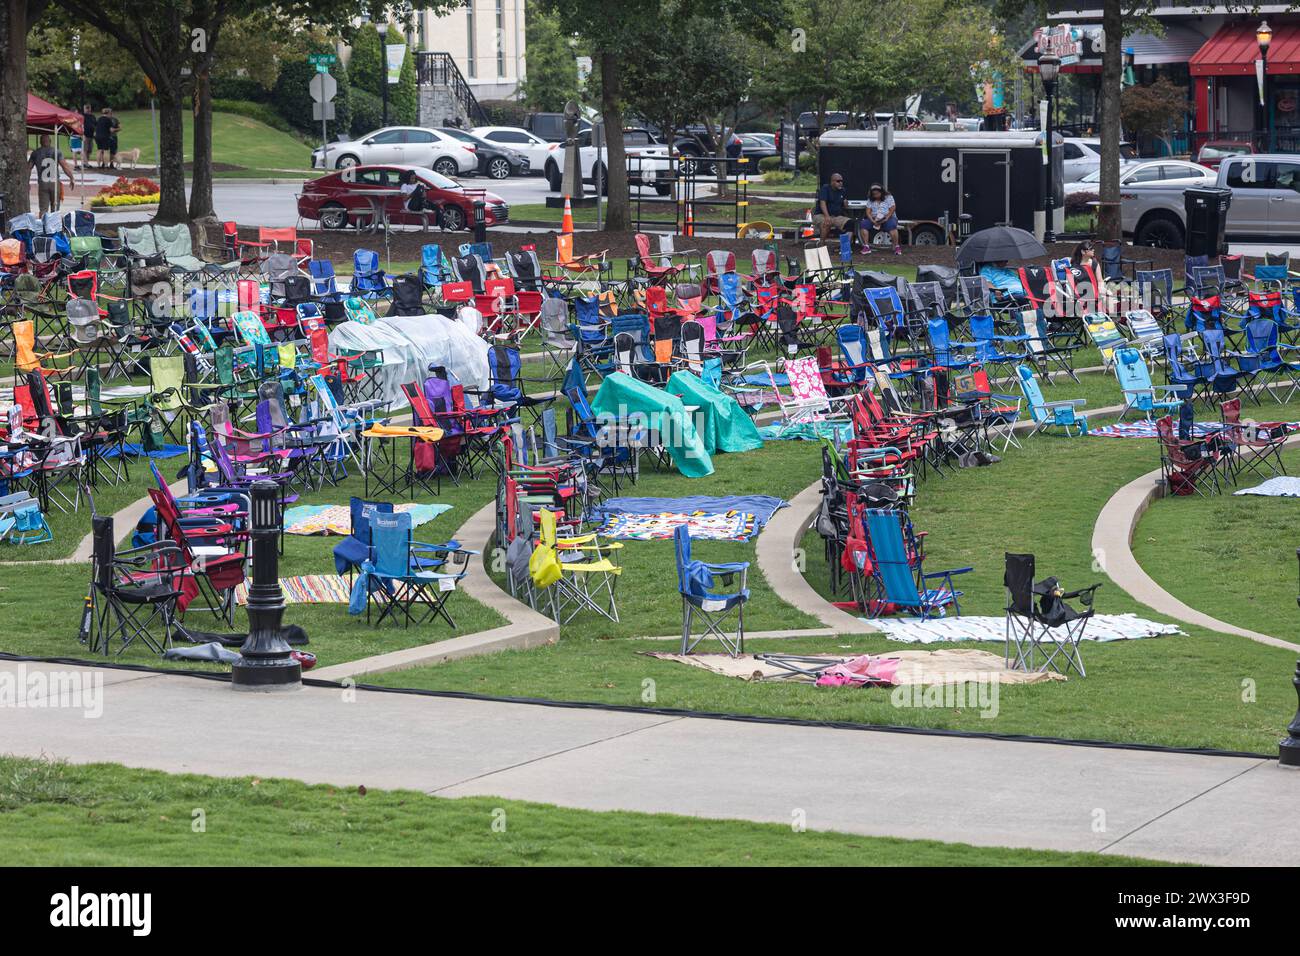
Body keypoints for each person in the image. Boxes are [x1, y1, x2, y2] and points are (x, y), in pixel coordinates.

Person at [28, 134, 77, 216]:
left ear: (40, 142)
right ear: (50, 142)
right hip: (54, 182)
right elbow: (64, 166)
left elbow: (28, 168)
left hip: (42, 183)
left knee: (43, 209)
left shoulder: (35, 153)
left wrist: (27, 181)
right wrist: (71, 178)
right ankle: (54, 226)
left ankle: (43, 226)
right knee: (55, 208)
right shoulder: (56, 152)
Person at [860, 183, 901, 255]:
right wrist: (872, 220)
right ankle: (866, 247)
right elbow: (868, 211)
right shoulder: (870, 200)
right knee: (863, 224)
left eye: (877, 193)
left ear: (881, 192)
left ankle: (897, 246)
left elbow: (892, 208)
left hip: (888, 217)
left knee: (892, 226)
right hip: (875, 219)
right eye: (874, 194)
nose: (875, 195)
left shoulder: (889, 197)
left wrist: (886, 217)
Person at [814, 172, 851, 244]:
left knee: (850, 223)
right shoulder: (825, 188)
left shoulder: (842, 191)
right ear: (832, 181)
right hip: (821, 214)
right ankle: (821, 243)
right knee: (827, 222)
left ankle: (845, 247)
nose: (840, 183)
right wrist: (827, 216)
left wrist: (845, 203)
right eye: (838, 181)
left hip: (836, 216)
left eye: (841, 181)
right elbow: (822, 203)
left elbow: (844, 205)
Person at [80, 104, 95, 170]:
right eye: (86, 108)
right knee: (84, 150)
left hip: (91, 136)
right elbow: (80, 125)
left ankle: (85, 163)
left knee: (89, 150)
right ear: (84, 109)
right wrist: (82, 134)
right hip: (85, 135)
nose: (88, 109)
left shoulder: (92, 116)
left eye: (89, 108)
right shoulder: (82, 116)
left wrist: (95, 132)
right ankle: (86, 164)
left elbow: (95, 125)